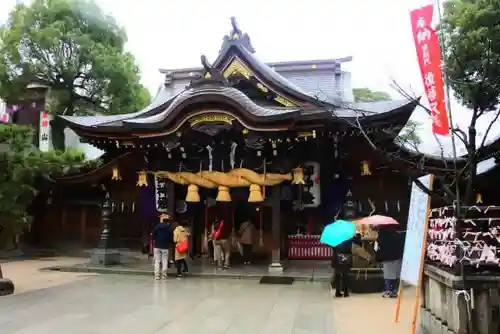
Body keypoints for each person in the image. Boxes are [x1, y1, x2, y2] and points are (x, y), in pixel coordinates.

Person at [375, 225, 405, 298]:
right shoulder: (397, 235)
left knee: (388, 275)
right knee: (396, 275)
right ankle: (395, 291)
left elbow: (376, 248)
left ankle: (388, 291)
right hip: (397, 257)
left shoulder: (381, 237)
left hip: (387, 258)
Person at [151, 215, 174, 280]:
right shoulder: (169, 228)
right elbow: (171, 238)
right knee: (164, 260)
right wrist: (170, 244)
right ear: (168, 222)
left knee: (157, 261)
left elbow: (153, 236)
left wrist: (155, 239)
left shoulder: (157, 227)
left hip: (157, 246)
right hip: (165, 246)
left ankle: (157, 275)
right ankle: (164, 275)